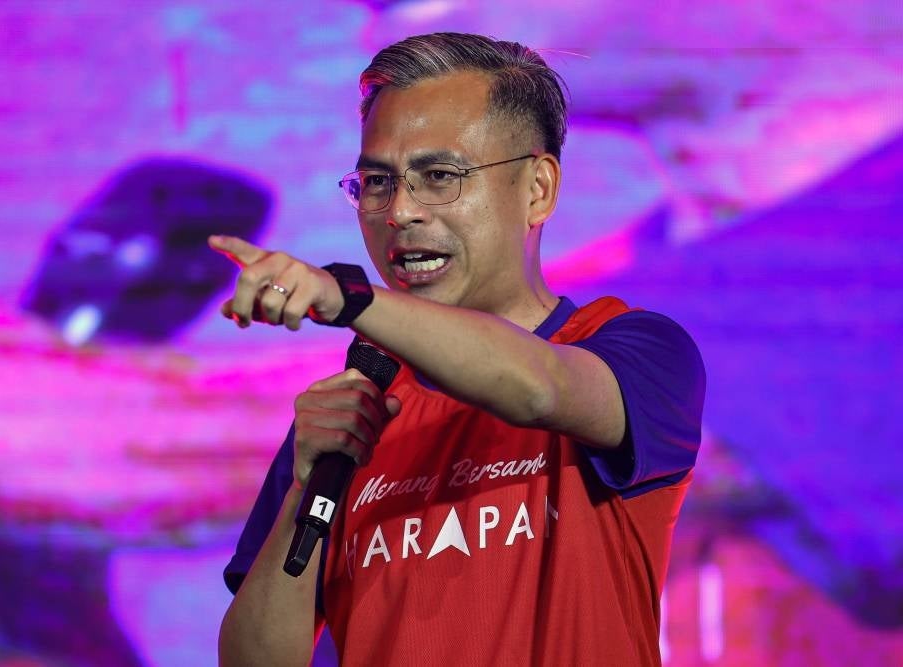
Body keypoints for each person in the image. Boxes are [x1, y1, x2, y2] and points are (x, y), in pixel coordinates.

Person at [213, 32, 705, 667]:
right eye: (376, 182)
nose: (400, 213)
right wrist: (306, 488)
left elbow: (538, 388)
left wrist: (349, 297)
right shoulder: (355, 408)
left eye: (439, 177)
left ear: (538, 190)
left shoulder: (634, 351)